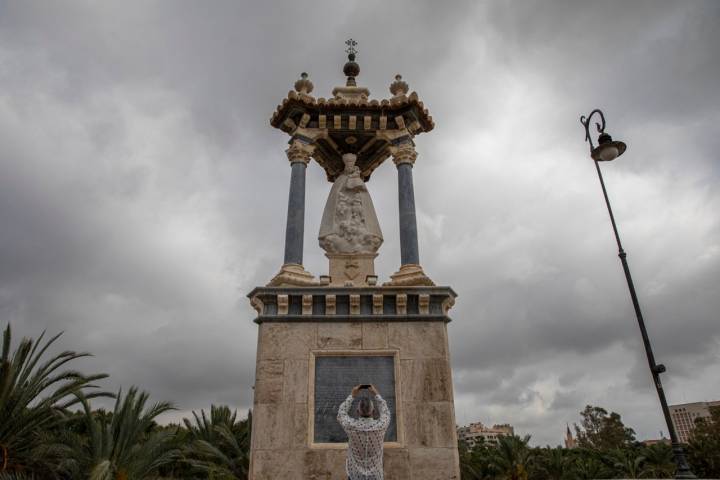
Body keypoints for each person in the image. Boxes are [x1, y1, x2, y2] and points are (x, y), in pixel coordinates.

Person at [337, 384, 391, 480]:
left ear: (358, 412)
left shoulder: (352, 426)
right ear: (373, 412)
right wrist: (376, 393)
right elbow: (385, 411)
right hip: (376, 476)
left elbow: (341, 414)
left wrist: (352, 395)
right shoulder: (381, 426)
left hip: (354, 476)